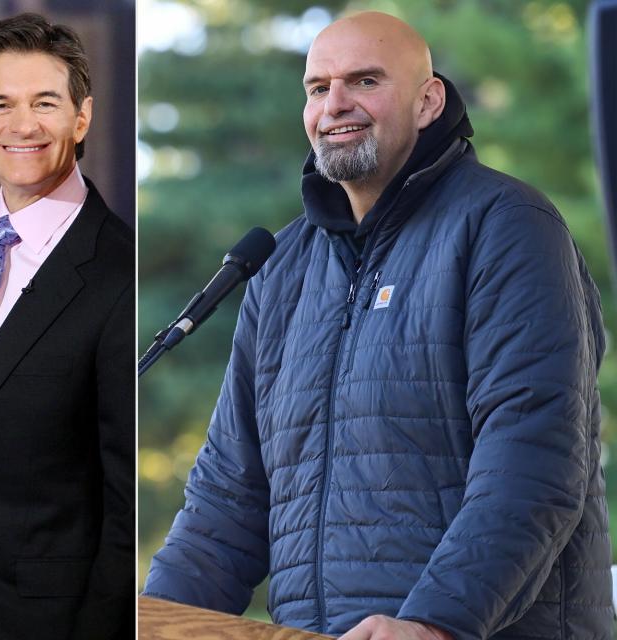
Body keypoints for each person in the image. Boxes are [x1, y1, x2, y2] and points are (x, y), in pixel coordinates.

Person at [143, 11, 612, 640]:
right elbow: (227, 504)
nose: (334, 104)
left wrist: (433, 623)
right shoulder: (280, 269)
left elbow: (533, 460)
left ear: (428, 101)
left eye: (364, 81)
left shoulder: (506, 226)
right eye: (317, 88)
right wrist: (155, 622)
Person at [0, 13, 134, 640]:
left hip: (53, 620)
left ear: (82, 116)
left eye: (44, 102)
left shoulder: (120, 272)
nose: (21, 126)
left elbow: (125, 502)